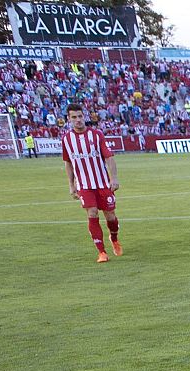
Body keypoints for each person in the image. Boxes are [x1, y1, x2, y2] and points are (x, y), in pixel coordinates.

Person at [61, 103, 121, 263]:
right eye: (74, 117)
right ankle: (101, 252)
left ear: (84, 116)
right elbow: (68, 163)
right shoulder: (66, 139)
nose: (78, 120)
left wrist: (113, 178)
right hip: (84, 185)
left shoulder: (97, 135)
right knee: (92, 213)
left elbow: (109, 157)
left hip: (102, 183)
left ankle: (114, 239)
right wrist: (71, 185)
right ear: (69, 119)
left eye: (80, 116)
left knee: (110, 216)